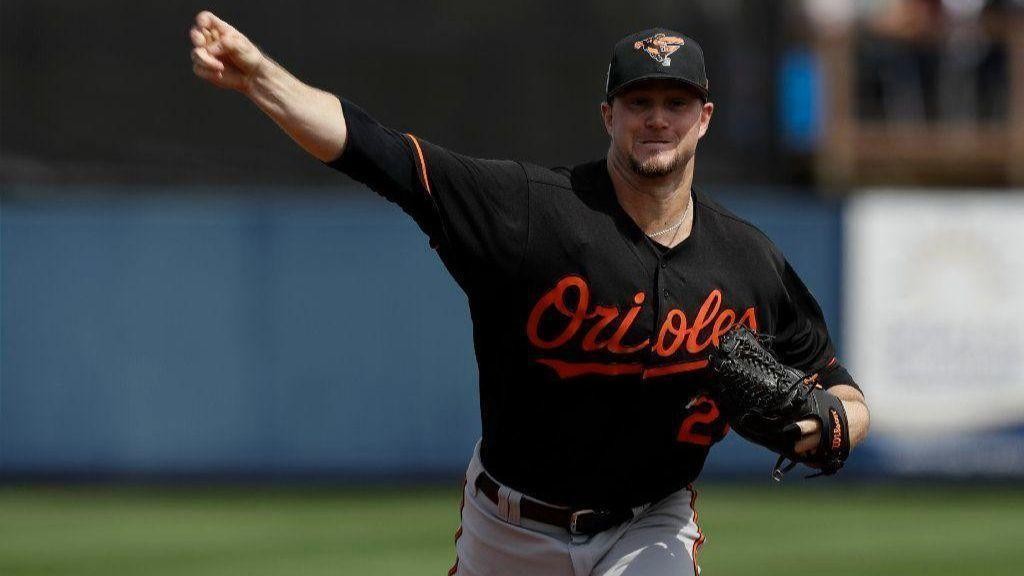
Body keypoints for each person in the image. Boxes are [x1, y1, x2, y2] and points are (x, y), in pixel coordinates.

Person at [190, 12, 870, 576]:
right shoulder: (529, 212)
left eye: (676, 103)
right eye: (639, 103)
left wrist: (834, 423)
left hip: (650, 527)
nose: (657, 119)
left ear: (705, 117)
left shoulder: (746, 260)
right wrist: (260, 80)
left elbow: (840, 388)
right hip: (510, 527)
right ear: (609, 115)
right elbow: (377, 152)